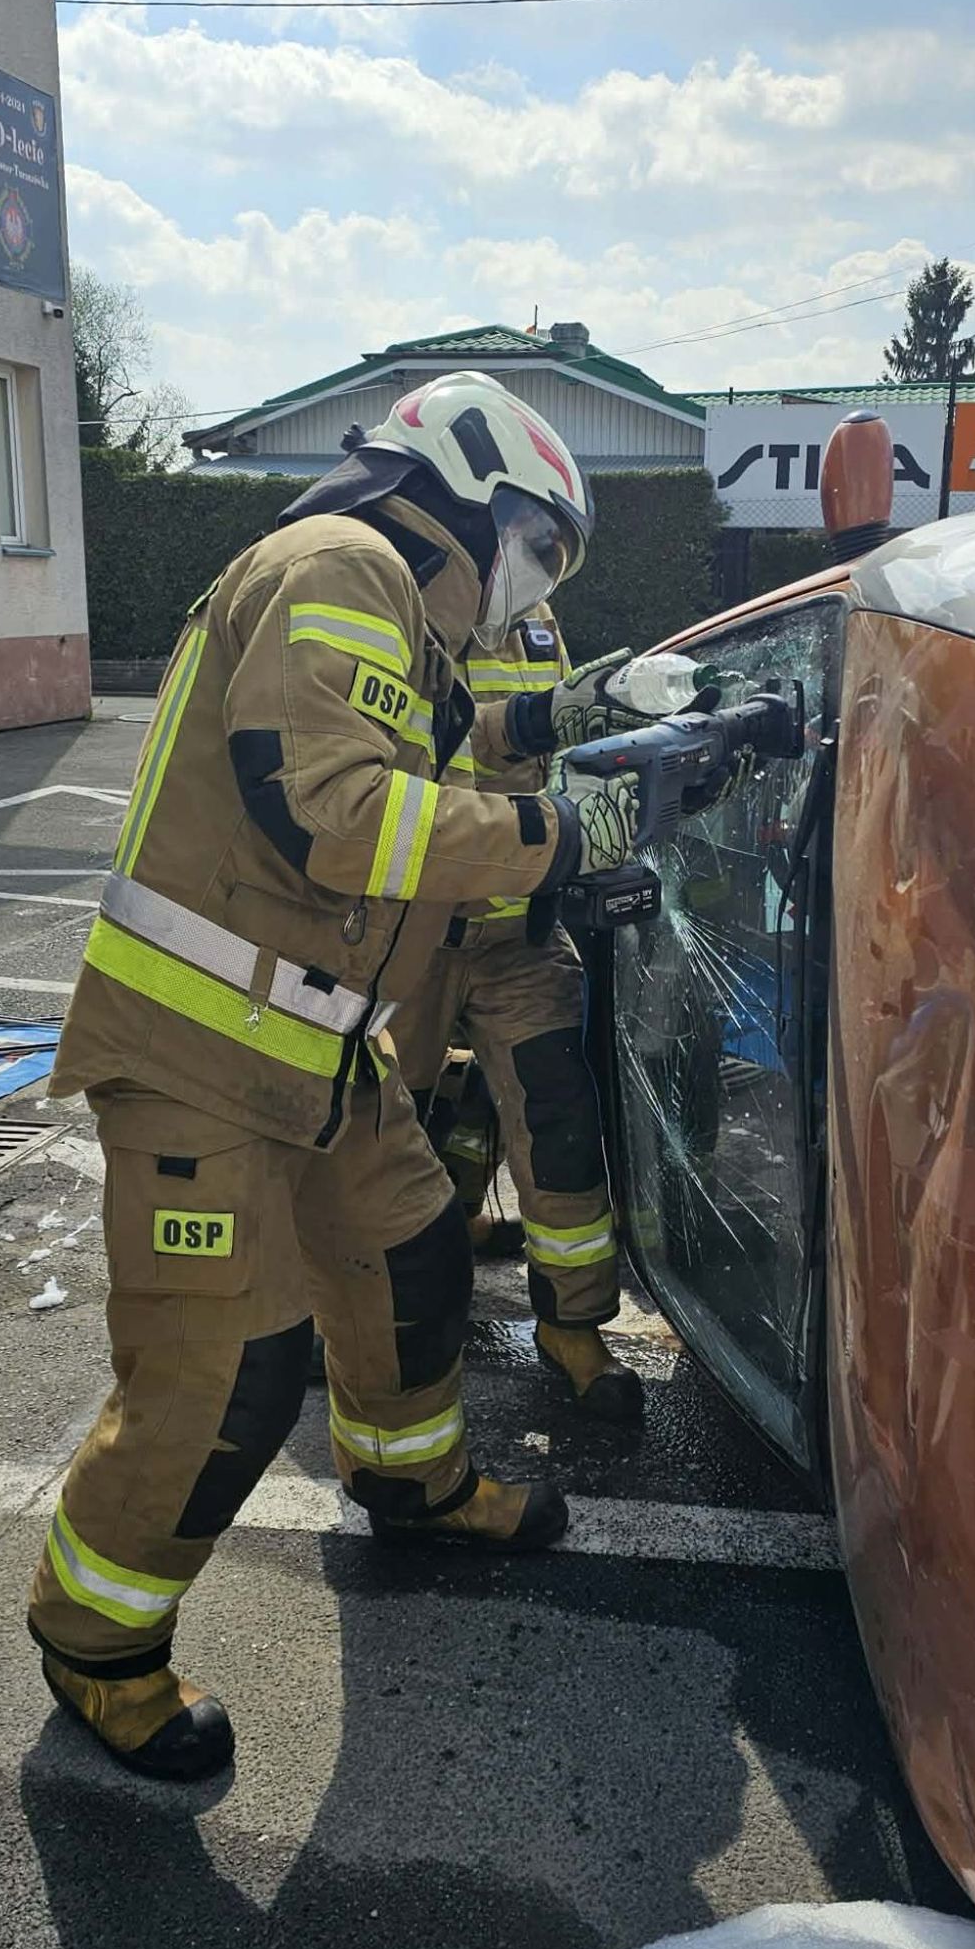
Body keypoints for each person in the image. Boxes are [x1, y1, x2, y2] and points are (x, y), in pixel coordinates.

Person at [27, 372, 642, 1781]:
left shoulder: (392, 610)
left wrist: (583, 729)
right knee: (228, 1368)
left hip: (305, 1044)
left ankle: (411, 1483)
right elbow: (333, 809)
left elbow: (443, 755)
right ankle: (96, 1642)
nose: (533, 583)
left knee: (411, 1251)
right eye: (538, 546)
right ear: (469, 489)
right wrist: (560, 836)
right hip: (194, 1050)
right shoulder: (342, 564)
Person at [394, 600, 643, 1421]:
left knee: (559, 1120)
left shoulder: (535, 620)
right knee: (379, 1130)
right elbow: (396, 756)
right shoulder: (392, 599)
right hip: (407, 937)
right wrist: (532, 719)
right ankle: (353, 1314)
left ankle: (572, 1324)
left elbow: (563, 756)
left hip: (519, 937)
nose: (537, 554)